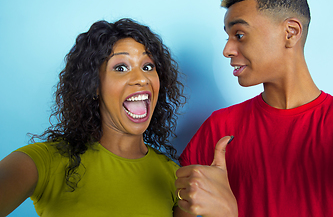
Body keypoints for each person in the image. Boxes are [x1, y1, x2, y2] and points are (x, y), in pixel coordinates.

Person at [175, 0, 333, 216]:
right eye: (227, 36)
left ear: (290, 33)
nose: (227, 50)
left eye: (239, 35)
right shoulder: (219, 129)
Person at [0, 18, 195, 217]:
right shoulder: (44, 162)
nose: (141, 79)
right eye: (121, 68)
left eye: (147, 67)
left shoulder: (173, 177)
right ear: (94, 85)